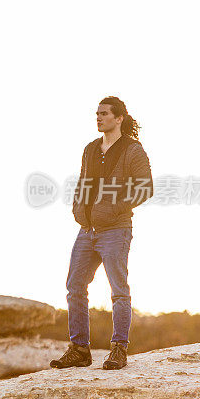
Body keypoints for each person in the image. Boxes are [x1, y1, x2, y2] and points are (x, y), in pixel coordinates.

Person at [50, 96, 153, 370]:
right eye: (97, 113)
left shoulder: (133, 150)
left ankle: (119, 349)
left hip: (116, 230)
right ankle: (80, 349)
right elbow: (83, 182)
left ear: (118, 118)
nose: (98, 117)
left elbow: (145, 188)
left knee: (119, 291)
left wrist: (114, 208)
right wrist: (78, 210)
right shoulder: (90, 149)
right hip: (87, 230)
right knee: (75, 287)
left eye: (104, 113)